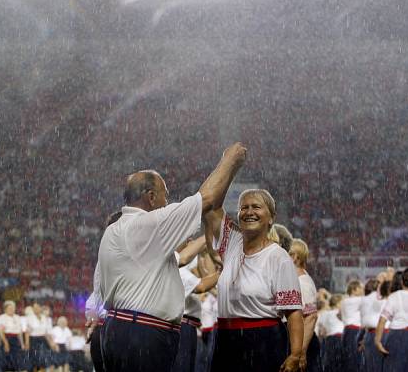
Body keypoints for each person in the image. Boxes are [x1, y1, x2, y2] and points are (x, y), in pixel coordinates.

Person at [98, 142, 246, 372]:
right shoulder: (147, 225)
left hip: (118, 329)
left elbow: (182, 258)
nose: (167, 202)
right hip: (142, 333)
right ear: (151, 197)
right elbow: (207, 198)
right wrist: (230, 160)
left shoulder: (115, 231)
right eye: (165, 196)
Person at [205, 188, 305, 372]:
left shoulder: (278, 257)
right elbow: (211, 206)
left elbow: (293, 312)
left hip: (263, 340)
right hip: (225, 339)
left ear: (271, 218)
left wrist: (296, 354)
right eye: (244, 208)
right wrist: (232, 163)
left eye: (256, 207)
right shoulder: (232, 243)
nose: (249, 212)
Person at [174, 237, 220, 372]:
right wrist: (222, 272)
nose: (190, 243)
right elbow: (200, 286)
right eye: (186, 240)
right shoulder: (177, 268)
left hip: (186, 326)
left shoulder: (179, 266)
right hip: (183, 326)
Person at [84, 211, 122, 372]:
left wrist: (93, 318)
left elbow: (94, 298)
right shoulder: (116, 256)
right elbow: (95, 297)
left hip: (105, 328)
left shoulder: (104, 255)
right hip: (119, 328)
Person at [375, 268, 408, 372]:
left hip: (397, 335)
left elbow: (382, 320)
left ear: (402, 281)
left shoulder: (395, 296)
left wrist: (378, 341)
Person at [289, 239, 320, 372]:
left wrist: (301, 352)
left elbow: (311, 317)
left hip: (303, 341)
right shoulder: (296, 278)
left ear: (296, 256)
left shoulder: (303, 282)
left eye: (289, 254)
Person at [358, 279, 383, 372]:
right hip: (382, 333)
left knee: (370, 366)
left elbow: (364, 323)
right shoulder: (381, 298)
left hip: (369, 334)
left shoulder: (362, 300)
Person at [316, 294, 345, 372]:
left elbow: (321, 332)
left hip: (329, 340)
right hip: (341, 338)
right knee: (342, 363)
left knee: (330, 363)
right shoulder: (342, 314)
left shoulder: (324, 314)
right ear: (338, 303)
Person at [340, 280, 363, 371]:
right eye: (360, 288)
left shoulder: (344, 301)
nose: (362, 290)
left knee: (348, 358)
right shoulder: (358, 300)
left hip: (347, 331)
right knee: (355, 359)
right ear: (354, 289)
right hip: (354, 331)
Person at [0, 301, 25, 372]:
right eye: (9, 308)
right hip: (6, 339)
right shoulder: (1, 318)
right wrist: (5, 342)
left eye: (13, 308)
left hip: (16, 340)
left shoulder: (17, 317)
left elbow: (19, 332)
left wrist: (22, 344)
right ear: (5, 309)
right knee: (7, 361)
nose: (11, 310)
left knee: (17, 361)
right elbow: (1, 331)